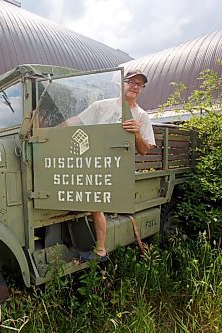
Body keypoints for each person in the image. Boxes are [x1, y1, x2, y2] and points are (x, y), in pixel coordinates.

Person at [62, 69, 156, 261]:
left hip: (119, 170)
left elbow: (145, 150)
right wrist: (47, 131)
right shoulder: (101, 106)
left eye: (139, 84)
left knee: (95, 200)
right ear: (121, 83)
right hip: (95, 164)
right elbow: (76, 121)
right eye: (131, 82)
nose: (135, 87)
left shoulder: (141, 116)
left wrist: (136, 134)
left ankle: (101, 250)